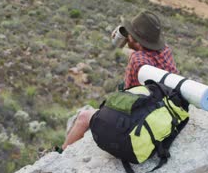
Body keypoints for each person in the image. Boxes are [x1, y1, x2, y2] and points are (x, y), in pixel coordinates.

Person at [62, 11, 179, 150]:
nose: (128, 35)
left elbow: (126, 94)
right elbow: (144, 53)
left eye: (130, 34)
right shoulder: (165, 51)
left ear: (136, 40)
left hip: (138, 117)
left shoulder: (137, 60)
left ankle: (59, 154)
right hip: (165, 110)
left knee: (83, 117)